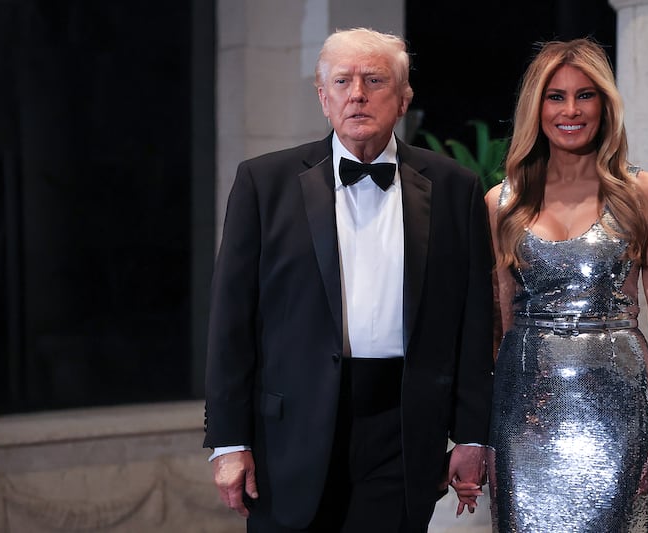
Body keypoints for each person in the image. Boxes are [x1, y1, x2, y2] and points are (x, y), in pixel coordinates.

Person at [203, 27, 494, 533]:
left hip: (402, 430)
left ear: (403, 99)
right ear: (323, 97)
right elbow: (231, 320)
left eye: (374, 79)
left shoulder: (455, 188)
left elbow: (473, 321)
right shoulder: (263, 183)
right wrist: (229, 442)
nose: (357, 93)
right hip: (289, 433)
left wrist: (472, 435)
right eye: (342, 81)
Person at [483, 38, 648, 531]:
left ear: (605, 106)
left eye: (585, 95)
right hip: (523, 411)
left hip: (618, 408)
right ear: (536, 108)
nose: (571, 110)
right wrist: (473, 440)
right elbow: (497, 329)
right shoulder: (500, 203)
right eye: (555, 96)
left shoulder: (643, 193)